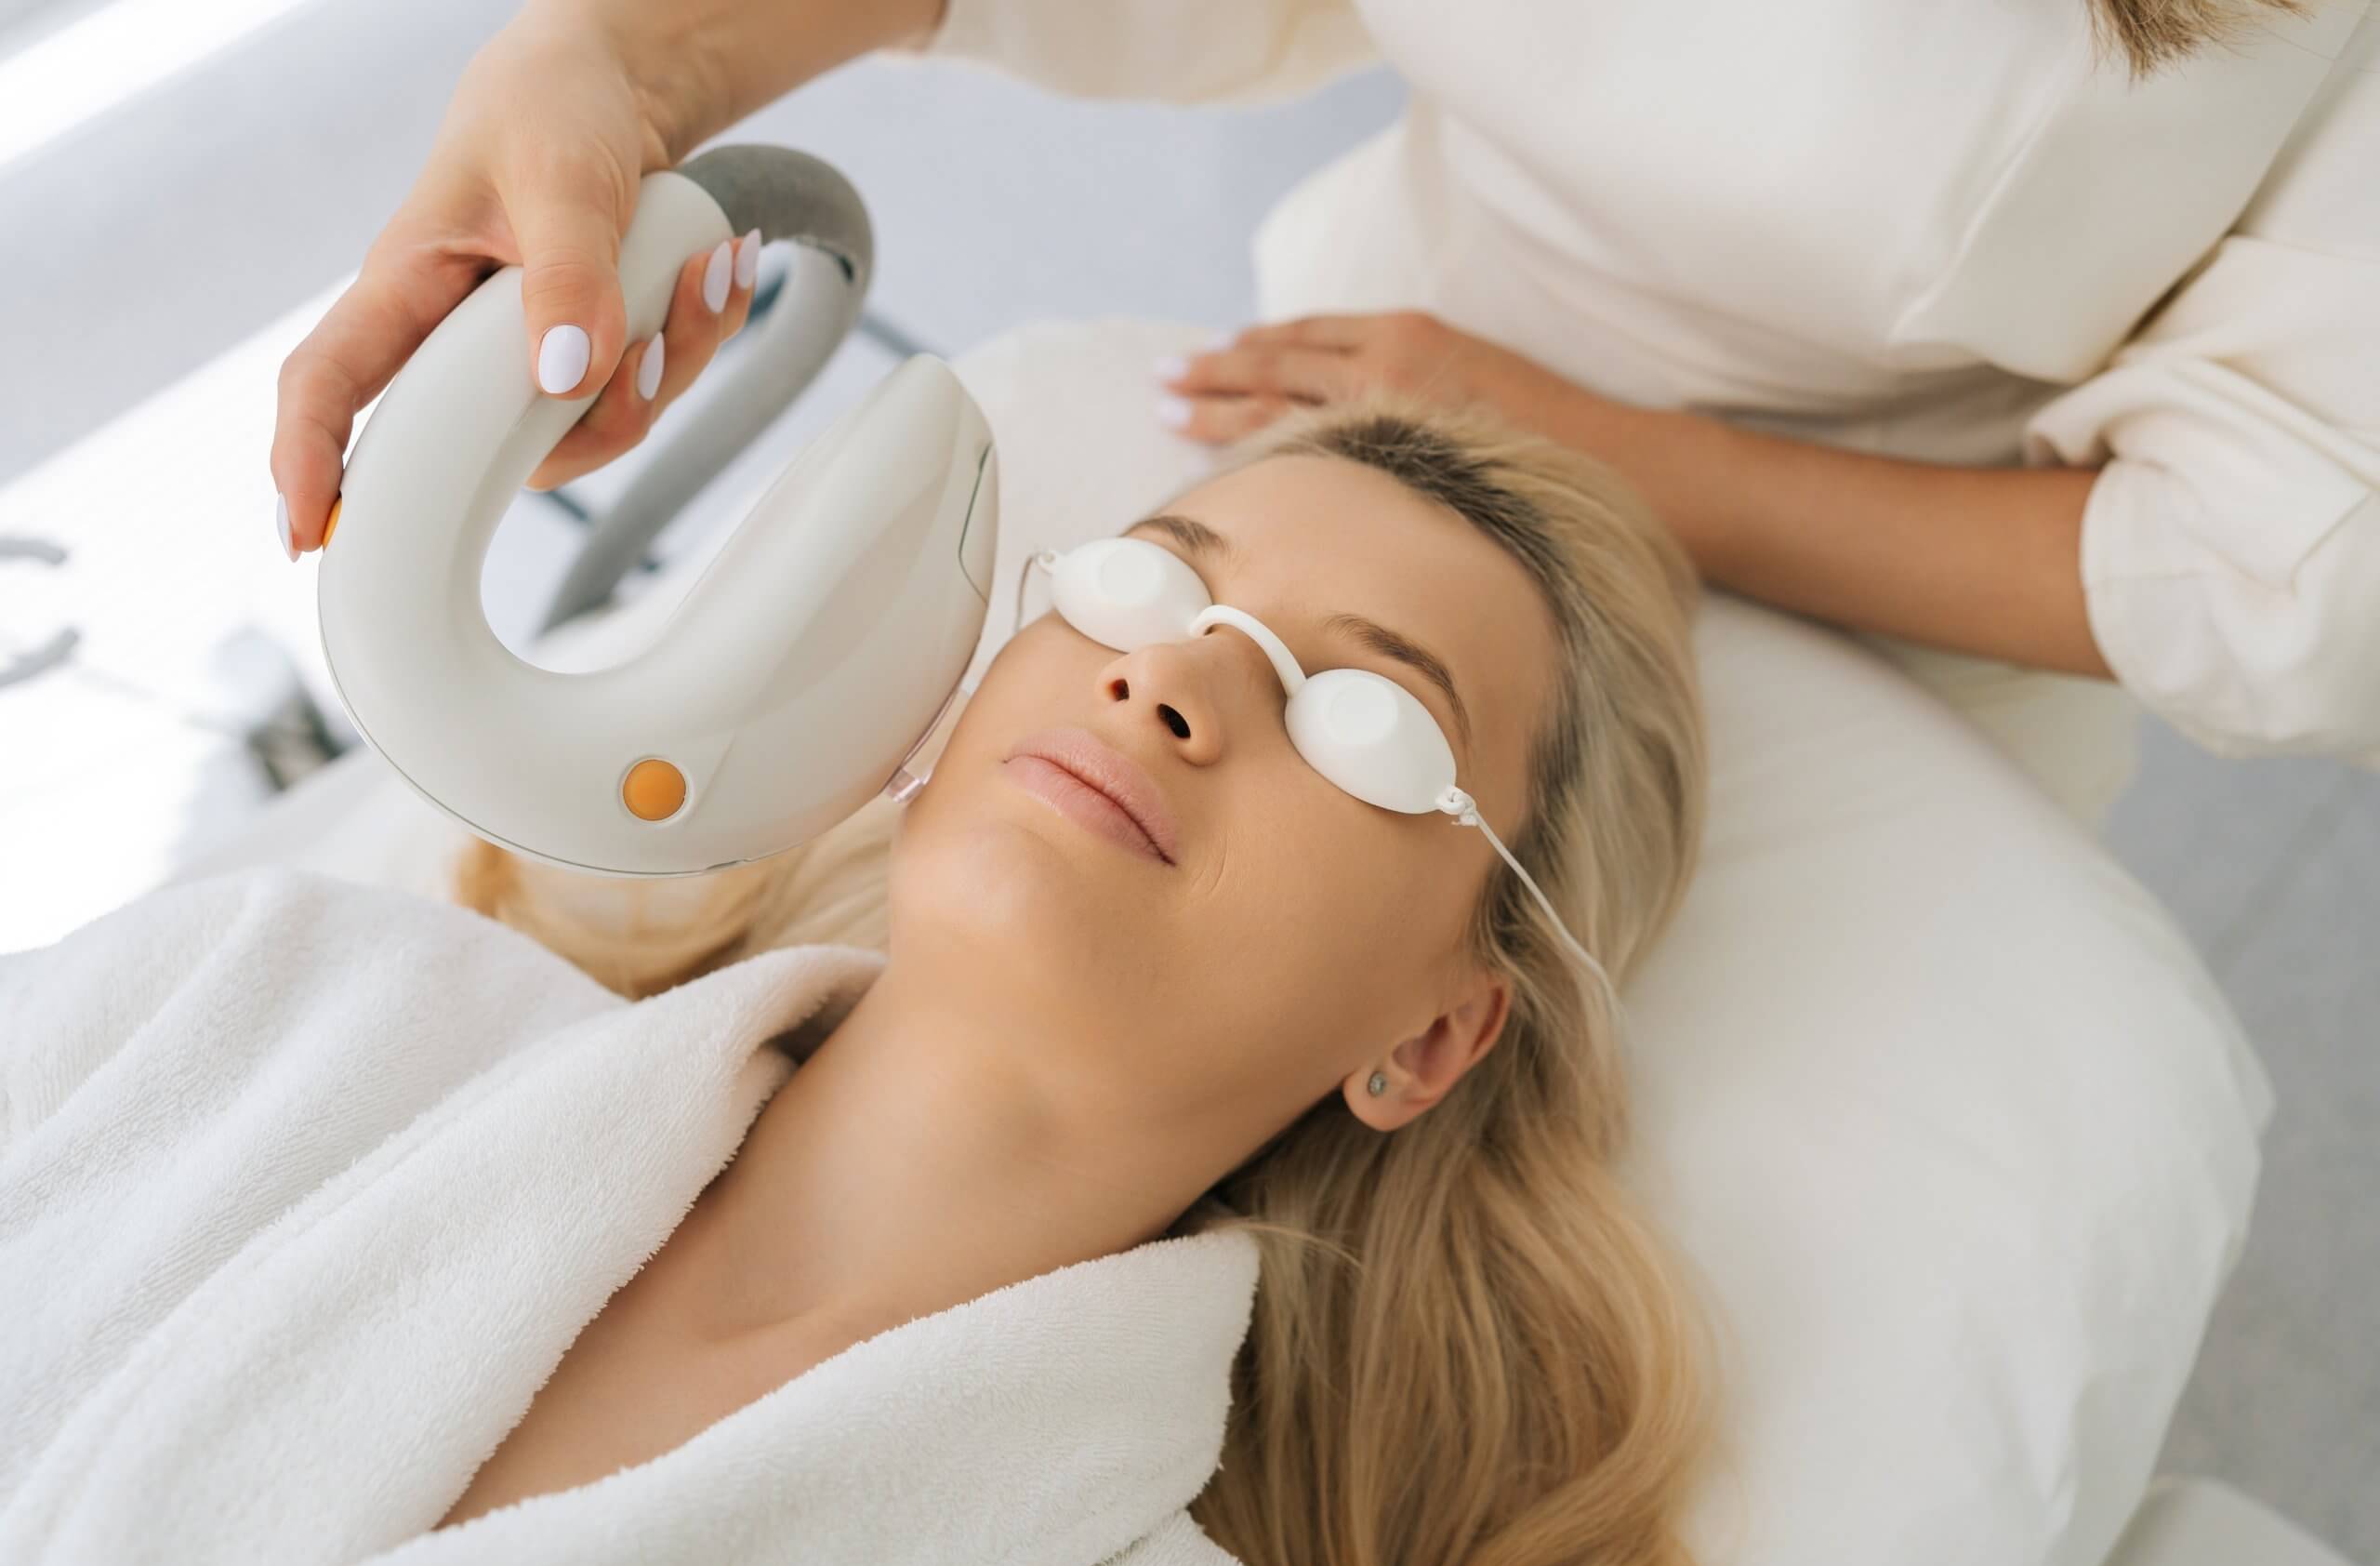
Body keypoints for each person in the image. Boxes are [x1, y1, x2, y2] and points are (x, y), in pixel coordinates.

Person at [270, 0, 2380, 828]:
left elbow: (2303, 572)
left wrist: (1580, 438)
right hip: (1351, 392)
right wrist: (616, 69)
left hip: (1871, 577)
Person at [441, 392, 1717, 1566]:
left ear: (1434, 1036)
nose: (1168, 677)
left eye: (1366, 715)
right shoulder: (320, 1000)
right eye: (1148, 582)